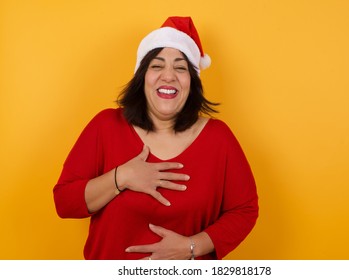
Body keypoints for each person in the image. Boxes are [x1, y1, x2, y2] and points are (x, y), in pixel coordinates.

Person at [53, 16, 258, 260]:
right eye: (157, 66)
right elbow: (64, 202)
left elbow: (244, 210)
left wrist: (192, 246)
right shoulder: (105, 126)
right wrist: (122, 177)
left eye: (180, 67)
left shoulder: (218, 138)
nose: (168, 76)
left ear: (192, 82)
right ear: (142, 78)